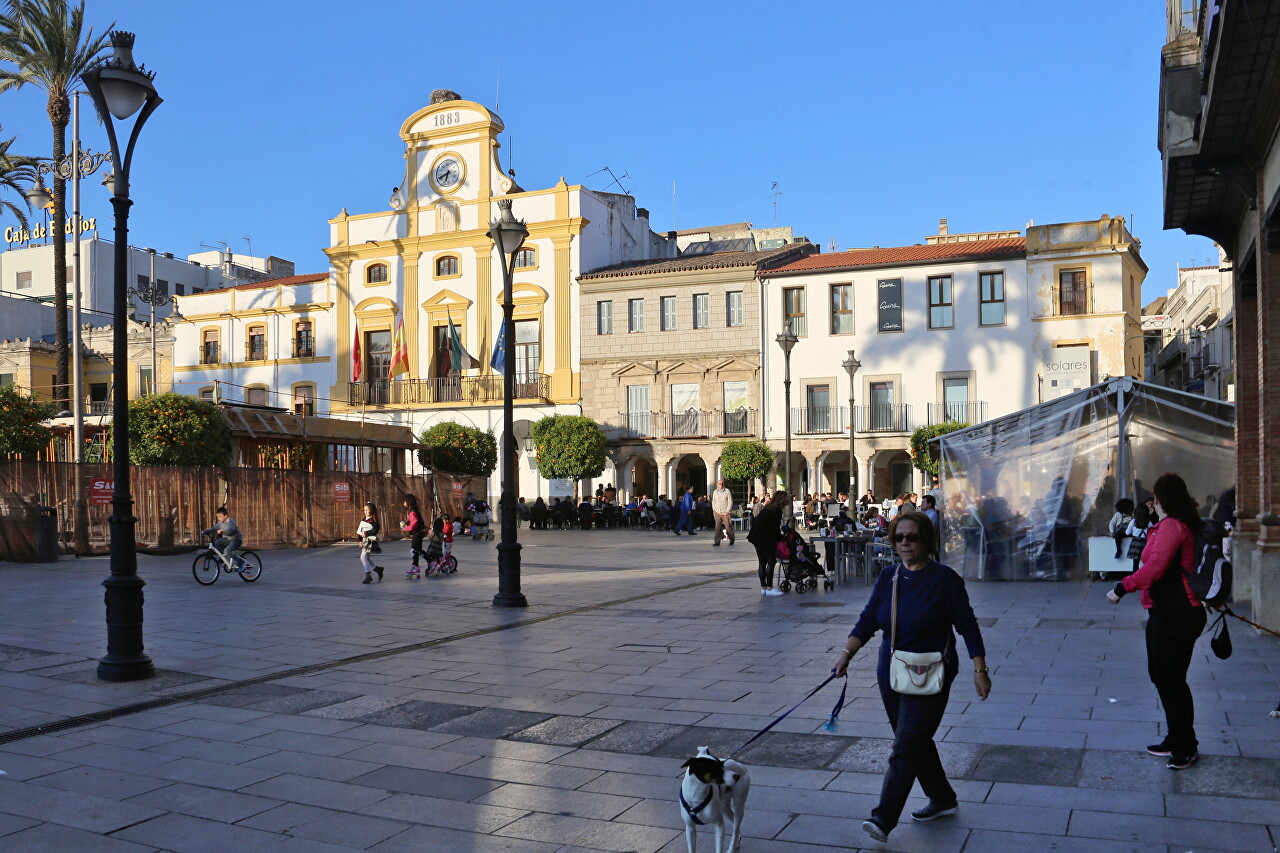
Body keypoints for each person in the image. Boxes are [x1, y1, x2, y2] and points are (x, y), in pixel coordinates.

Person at [833, 511, 989, 843]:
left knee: (905, 746)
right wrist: (846, 654)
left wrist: (980, 670)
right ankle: (942, 798)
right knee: (913, 740)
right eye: (898, 537)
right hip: (891, 670)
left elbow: (968, 626)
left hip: (932, 670)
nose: (904, 543)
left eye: (912, 537)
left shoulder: (944, 579)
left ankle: (883, 819)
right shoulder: (888, 576)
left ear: (926, 540)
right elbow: (867, 621)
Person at [1106, 472, 1206, 770]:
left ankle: (1184, 745)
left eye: (1155, 496)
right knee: (1166, 677)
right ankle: (1178, 738)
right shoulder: (1168, 525)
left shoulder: (1173, 526)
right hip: (1168, 611)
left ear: (1161, 497)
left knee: (1169, 679)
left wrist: (1122, 587)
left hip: (1177, 612)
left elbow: (1157, 566)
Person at [748, 491, 788, 596]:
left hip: (756, 535)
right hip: (764, 537)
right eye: (786, 497)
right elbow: (775, 527)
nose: (788, 499)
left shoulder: (768, 508)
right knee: (771, 560)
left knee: (762, 561)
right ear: (782, 499)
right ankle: (769, 588)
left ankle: (763, 588)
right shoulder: (777, 510)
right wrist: (781, 538)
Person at [357, 502, 384, 584]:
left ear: (372, 511)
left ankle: (368, 575)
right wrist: (360, 541)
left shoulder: (374, 521)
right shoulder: (363, 520)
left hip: (370, 541)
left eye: (367, 510)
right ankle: (378, 569)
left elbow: (374, 530)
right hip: (364, 541)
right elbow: (359, 531)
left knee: (363, 557)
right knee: (366, 558)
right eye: (364, 510)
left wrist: (367, 533)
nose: (365, 512)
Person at [401, 494, 426, 575]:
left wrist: (406, 528)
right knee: (417, 550)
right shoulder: (412, 510)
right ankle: (418, 565)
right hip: (419, 532)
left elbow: (414, 523)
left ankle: (418, 566)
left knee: (414, 550)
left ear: (408, 502)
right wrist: (405, 523)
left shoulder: (412, 512)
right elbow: (410, 521)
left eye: (404, 502)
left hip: (418, 532)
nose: (403, 504)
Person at [712, 479, 735, 546]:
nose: (720, 485)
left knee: (728, 526)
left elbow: (730, 501)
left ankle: (732, 539)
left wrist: (728, 511)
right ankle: (717, 541)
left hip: (725, 512)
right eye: (719, 483)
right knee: (717, 527)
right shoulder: (715, 492)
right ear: (717, 484)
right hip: (717, 512)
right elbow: (713, 501)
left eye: (722, 483)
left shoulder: (727, 491)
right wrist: (714, 509)